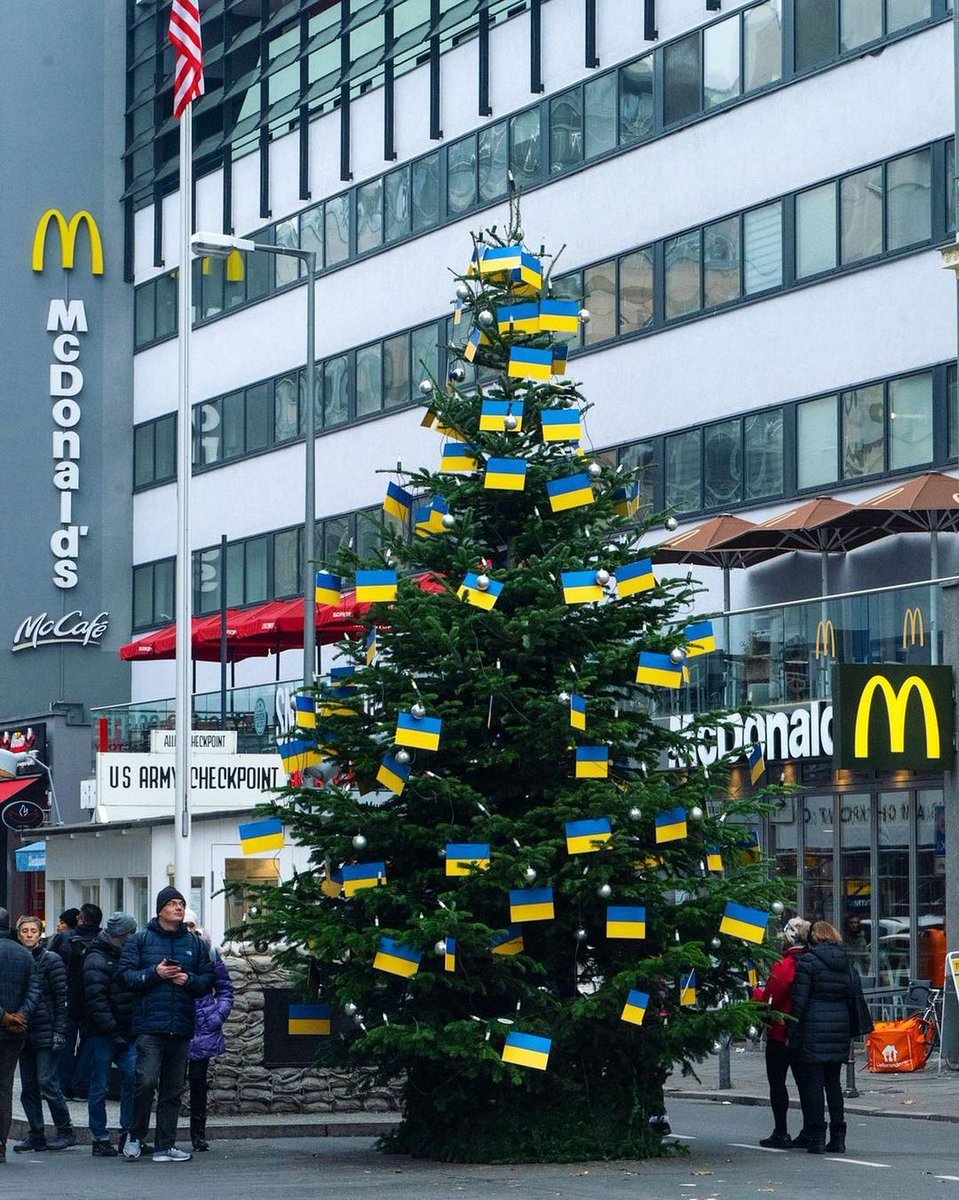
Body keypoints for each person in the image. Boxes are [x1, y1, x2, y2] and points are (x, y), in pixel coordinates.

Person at [118, 887, 214, 1163]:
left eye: (181, 904)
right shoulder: (140, 941)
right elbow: (124, 976)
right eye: (172, 903)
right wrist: (155, 974)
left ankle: (165, 1145)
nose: (178, 907)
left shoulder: (195, 943)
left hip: (181, 1024)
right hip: (149, 1024)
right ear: (160, 909)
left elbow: (208, 979)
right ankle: (135, 1136)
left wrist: (190, 981)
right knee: (145, 1081)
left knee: (173, 1089)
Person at [788, 920, 853, 1155]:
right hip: (839, 1027)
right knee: (833, 1084)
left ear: (813, 938)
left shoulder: (809, 961)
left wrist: (791, 1029)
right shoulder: (845, 962)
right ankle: (838, 1137)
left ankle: (816, 1136)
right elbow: (852, 995)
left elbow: (800, 1000)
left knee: (814, 1085)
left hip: (813, 1028)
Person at [12, 916, 76, 1153]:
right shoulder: (18, 959)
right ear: (19, 935)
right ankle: (36, 1133)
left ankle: (65, 1130)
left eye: (33, 931)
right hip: (23, 1031)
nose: (29, 935)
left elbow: (62, 999)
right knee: (28, 1087)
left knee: (47, 1082)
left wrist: (60, 1031)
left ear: (40, 934)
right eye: (24, 931)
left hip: (47, 1029)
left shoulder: (51, 960)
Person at [81, 913, 139, 1157]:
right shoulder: (96, 958)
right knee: (100, 1086)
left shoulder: (121, 955)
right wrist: (114, 1029)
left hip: (122, 1030)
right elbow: (96, 1000)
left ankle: (128, 1132)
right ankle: (100, 1137)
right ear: (122, 935)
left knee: (133, 1078)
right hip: (103, 1033)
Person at [755, 916, 810, 1149]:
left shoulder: (786, 964)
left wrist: (756, 994)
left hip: (782, 1031)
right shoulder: (811, 960)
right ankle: (810, 1130)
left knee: (777, 1083)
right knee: (806, 1083)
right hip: (806, 1031)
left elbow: (771, 998)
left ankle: (781, 1131)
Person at [183, 910, 234, 1152]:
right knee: (170, 1083)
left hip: (203, 1026)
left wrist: (217, 1015)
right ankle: (166, 1134)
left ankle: (198, 1133)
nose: (189, 929)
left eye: (191, 924)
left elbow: (225, 989)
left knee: (198, 1082)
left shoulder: (210, 953)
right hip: (176, 1024)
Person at [0, 907, 41, 1164]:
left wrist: (4, 1016)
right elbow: (34, 989)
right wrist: (20, 1016)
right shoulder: (25, 955)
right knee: (4, 1089)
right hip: (14, 1034)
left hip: (7, 1023)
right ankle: (1, 1144)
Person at [55, 902, 102, 1101]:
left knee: (66, 1042)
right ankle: (82, 1084)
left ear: (80, 919)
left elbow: (52, 966)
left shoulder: (65, 938)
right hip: (94, 998)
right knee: (89, 1043)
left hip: (68, 997)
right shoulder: (103, 939)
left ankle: (63, 1085)